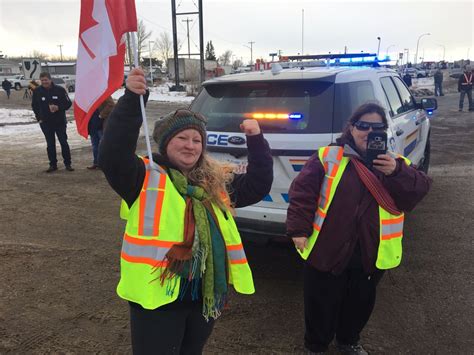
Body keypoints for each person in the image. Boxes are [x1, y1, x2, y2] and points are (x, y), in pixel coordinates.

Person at [99, 67, 273, 355]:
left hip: (201, 293)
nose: (190, 146)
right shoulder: (143, 177)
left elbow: (257, 185)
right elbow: (112, 154)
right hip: (156, 297)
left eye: (196, 140)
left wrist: (256, 140)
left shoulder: (213, 183)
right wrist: (132, 99)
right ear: (166, 143)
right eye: (182, 138)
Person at [286, 102, 431, 355]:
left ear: (384, 131)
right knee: (320, 302)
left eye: (377, 127)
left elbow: (417, 192)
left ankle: (348, 341)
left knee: (359, 303)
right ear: (351, 128)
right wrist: (298, 229)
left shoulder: (396, 162)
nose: (368, 131)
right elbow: (302, 193)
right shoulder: (327, 157)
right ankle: (316, 346)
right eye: (363, 126)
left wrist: (396, 172)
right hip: (327, 249)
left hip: (370, 252)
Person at [32, 72, 74, 172]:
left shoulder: (59, 90)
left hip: (59, 122)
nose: (44, 82)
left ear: (50, 80)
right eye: (42, 80)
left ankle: (68, 164)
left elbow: (68, 103)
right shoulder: (37, 91)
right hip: (46, 123)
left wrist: (59, 107)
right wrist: (39, 118)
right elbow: (34, 106)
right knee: (50, 144)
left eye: (46, 80)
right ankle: (53, 164)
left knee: (63, 142)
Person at [87, 96, 115, 170]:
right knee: (95, 145)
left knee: (105, 145)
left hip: (101, 124)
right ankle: (96, 163)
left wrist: (101, 115)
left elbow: (111, 105)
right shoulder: (88, 95)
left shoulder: (103, 93)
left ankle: (107, 163)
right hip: (92, 125)